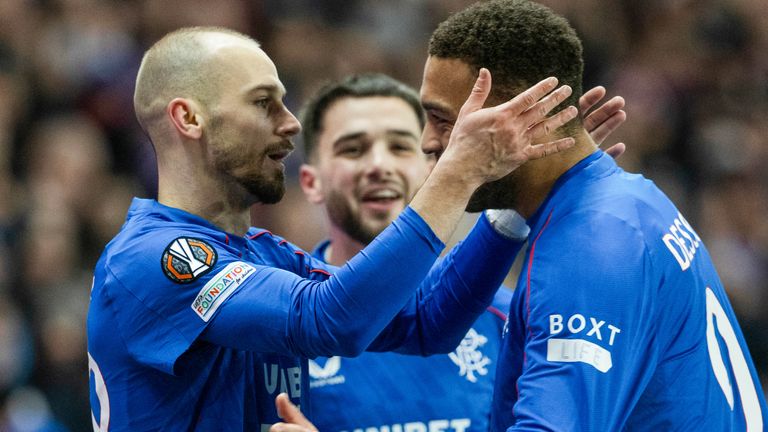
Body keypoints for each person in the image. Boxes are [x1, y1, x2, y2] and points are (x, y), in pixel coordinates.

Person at [273, 1, 768, 431]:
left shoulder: (589, 244)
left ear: (518, 114)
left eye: (444, 121)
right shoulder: (625, 203)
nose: (429, 144)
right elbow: (422, 316)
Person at [86, 26, 581, 430]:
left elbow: (427, 320)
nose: (291, 123)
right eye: (263, 103)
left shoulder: (261, 253)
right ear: (189, 118)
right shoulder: (154, 258)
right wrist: (459, 172)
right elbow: (327, 320)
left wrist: (514, 203)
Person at [296, 73, 626, 432]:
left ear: (432, 168)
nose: (379, 165)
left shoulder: (504, 317)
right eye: (353, 149)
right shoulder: (287, 330)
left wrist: (533, 183)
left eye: (400, 147)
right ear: (312, 182)